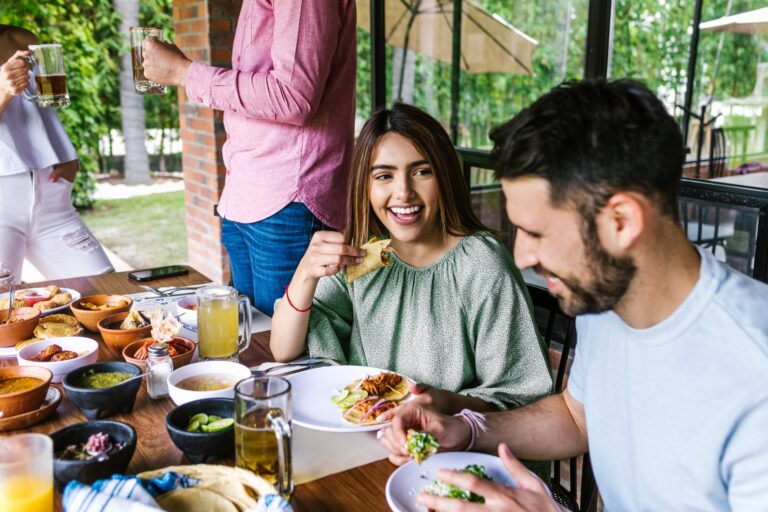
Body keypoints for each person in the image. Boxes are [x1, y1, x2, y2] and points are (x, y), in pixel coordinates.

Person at [379, 80, 768, 510]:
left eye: (537, 232)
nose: (522, 257)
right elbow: (576, 416)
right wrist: (467, 429)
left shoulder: (754, 376)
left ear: (621, 221)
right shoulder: (606, 298)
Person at [270, 103, 552, 420]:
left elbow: (518, 400)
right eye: (384, 176)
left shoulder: (481, 265)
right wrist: (306, 273)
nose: (403, 192)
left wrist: (445, 405)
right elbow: (283, 349)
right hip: (366, 433)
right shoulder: (364, 256)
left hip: (447, 446)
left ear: (445, 176)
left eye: (421, 172)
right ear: (365, 186)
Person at [141, 1, 357, 316]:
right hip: (247, 193)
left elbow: (293, 98)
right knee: (252, 339)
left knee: (287, 353)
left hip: (287, 199)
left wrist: (183, 72)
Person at [0, 25, 113, 281]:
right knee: (7, 315)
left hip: (52, 200)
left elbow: (44, 108)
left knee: (108, 297)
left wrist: (65, 152)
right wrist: (2, 92)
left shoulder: (22, 39)